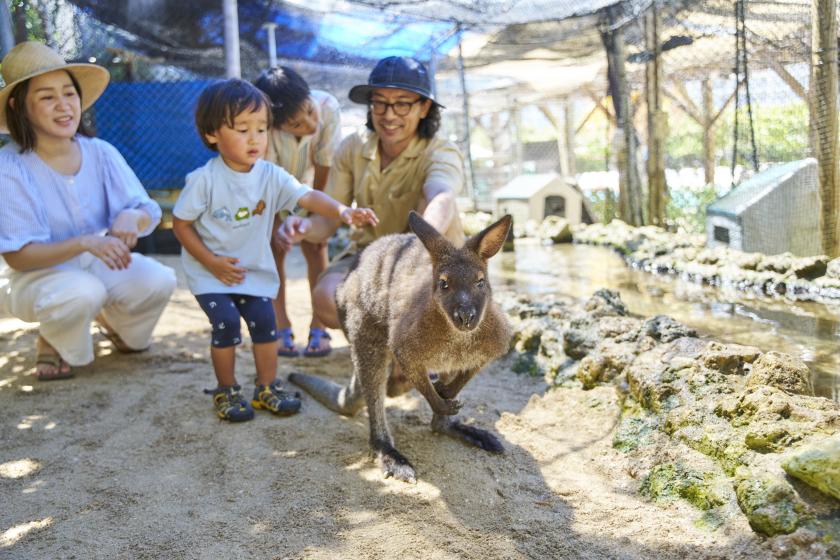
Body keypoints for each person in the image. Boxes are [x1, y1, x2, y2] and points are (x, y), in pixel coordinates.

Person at [171, 78, 378, 423]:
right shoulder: (203, 180)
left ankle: (266, 386)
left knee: (265, 323)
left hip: (252, 271)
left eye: (262, 128)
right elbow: (181, 224)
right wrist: (211, 262)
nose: (255, 139)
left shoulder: (270, 174)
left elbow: (307, 196)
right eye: (242, 129)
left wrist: (342, 211)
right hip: (209, 274)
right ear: (212, 134)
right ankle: (226, 390)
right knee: (225, 324)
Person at [0, 41, 176, 381]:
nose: (64, 106)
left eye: (69, 93)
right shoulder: (8, 167)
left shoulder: (101, 152)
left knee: (159, 280)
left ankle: (112, 326)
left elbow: (146, 210)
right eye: (47, 97)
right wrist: (85, 242)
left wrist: (130, 217)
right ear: (18, 106)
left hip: (92, 264)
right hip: (33, 278)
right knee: (82, 293)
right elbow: (18, 259)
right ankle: (54, 338)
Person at [277, 56, 465, 330]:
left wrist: (416, 244)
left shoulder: (440, 150)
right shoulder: (353, 146)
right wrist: (303, 227)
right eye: (380, 102)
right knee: (327, 298)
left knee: (419, 278)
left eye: (402, 104)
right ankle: (382, 347)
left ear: (424, 107)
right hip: (372, 254)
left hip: (431, 259)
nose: (388, 115)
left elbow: (441, 196)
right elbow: (328, 222)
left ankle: (422, 344)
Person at [253, 66, 341, 358]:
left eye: (308, 111)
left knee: (317, 247)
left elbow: (325, 165)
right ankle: (280, 324)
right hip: (275, 188)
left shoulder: (327, 106)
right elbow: (269, 179)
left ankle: (319, 325)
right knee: (275, 247)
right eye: (296, 123)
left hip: (314, 184)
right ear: (277, 125)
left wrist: (317, 217)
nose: (309, 123)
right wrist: (279, 225)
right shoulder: (267, 131)